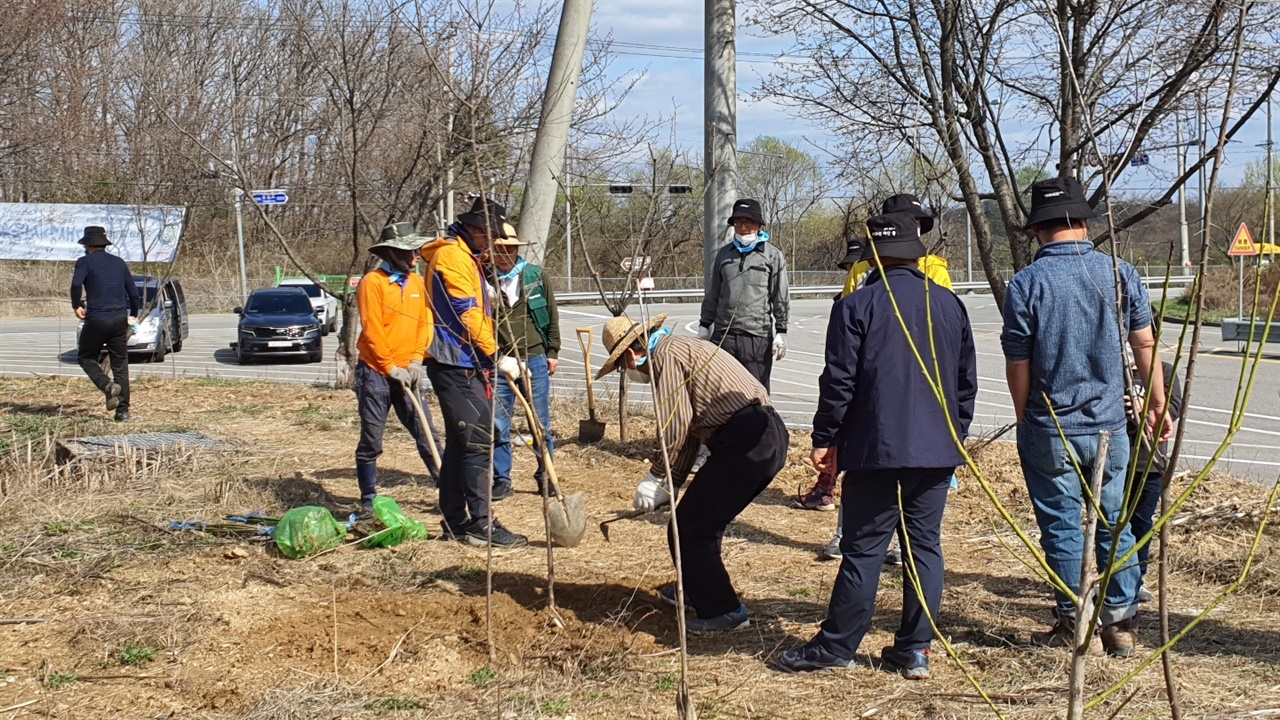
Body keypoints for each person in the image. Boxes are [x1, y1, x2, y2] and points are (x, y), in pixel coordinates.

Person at [778, 212, 977, 678]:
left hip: (876, 449)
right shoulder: (949, 305)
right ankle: (915, 649)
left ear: (872, 258)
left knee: (865, 547)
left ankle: (836, 647)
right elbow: (965, 385)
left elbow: (838, 383)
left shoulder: (856, 306)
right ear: (917, 253)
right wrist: (955, 436)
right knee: (924, 546)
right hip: (937, 449)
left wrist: (826, 438)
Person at [1000, 177, 1169, 658]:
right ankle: (1119, 623)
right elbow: (1144, 344)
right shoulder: (1120, 274)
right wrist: (1155, 402)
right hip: (1111, 424)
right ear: (1085, 222)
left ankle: (1077, 623)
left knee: (1061, 526)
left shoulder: (1027, 283)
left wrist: (1024, 413)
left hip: (1050, 423)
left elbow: (1019, 361)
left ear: (1037, 230)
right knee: (1117, 521)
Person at [597, 312, 787, 632]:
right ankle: (698, 590)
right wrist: (669, 485)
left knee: (689, 527)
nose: (626, 372)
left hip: (747, 440)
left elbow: (675, 426)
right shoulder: (678, 348)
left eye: (621, 366)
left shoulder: (666, 358)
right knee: (700, 521)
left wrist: (656, 475)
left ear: (630, 355)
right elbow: (687, 436)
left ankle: (724, 610)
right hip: (765, 435)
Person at [421, 198, 527, 548]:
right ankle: (482, 524)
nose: (493, 242)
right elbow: (467, 314)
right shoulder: (452, 256)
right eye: (491, 234)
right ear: (477, 229)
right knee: (479, 440)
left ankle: (454, 520)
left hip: (466, 361)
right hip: (454, 360)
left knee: (459, 443)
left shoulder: (467, 258)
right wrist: (498, 356)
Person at [353, 222, 442, 512]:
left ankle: (447, 489)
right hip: (376, 373)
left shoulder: (416, 282)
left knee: (426, 431)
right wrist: (390, 367)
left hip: (410, 371)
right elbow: (372, 329)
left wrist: (416, 359)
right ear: (393, 252)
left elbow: (424, 323)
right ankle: (368, 497)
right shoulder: (373, 282)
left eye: (418, 249)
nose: (417, 255)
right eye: (411, 250)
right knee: (372, 438)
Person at [491, 222, 561, 500]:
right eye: (500, 250)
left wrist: (552, 352)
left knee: (540, 422)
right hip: (501, 360)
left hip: (535, 357)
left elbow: (552, 315)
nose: (506, 254)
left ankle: (546, 476)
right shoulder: (485, 279)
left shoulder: (534, 276)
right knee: (499, 422)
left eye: (510, 249)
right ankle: (501, 479)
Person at [697, 198, 790, 392]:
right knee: (721, 390)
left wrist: (781, 331)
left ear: (758, 225)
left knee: (756, 391)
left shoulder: (772, 255)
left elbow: (780, 296)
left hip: (756, 335)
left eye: (748, 222)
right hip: (724, 335)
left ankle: (760, 423)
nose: (743, 227)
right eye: (738, 222)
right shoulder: (723, 255)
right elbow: (713, 293)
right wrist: (705, 325)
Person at [1124, 313, 1183, 603]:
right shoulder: (1117, 373)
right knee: (1113, 522)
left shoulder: (1166, 372)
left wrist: (1144, 408)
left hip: (1150, 462)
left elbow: (1172, 408)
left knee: (1141, 521)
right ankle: (1113, 577)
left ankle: (1136, 577)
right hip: (1117, 460)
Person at [70, 226, 140, 422]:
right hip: (119, 319)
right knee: (120, 365)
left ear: (88, 245)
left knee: (86, 357)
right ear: (104, 244)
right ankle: (123, 412)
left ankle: (107, 386)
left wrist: (76, 305)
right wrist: (132, 315)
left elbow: (76, 285)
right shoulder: (118, 263)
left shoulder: (84, 262)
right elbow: (133, 292)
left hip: (97, 318)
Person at [840, 194, 953, 296]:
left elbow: (944, 307)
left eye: (915, 221)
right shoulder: (859, 268)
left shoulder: (933, 267)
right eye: (903, 221)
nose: (911, 226)